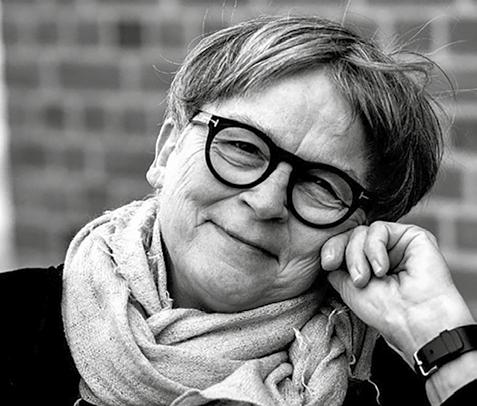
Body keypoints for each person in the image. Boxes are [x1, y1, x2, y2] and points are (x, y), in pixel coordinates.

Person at [1, 15, 476, 406]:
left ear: (361, 227)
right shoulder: (13, 320)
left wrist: (437, 335)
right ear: (167, 150)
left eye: (321, 185)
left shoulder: (389, 389)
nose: (266, 202)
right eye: (243, 148)